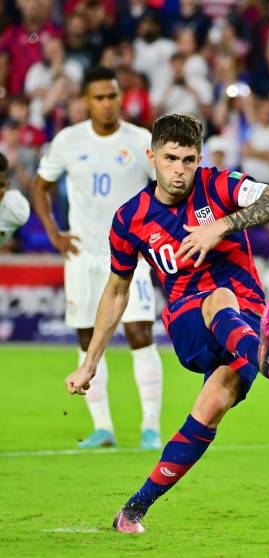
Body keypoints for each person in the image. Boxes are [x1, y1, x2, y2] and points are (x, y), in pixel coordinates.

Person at [64, 113, 269, 533]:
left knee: (212, 406)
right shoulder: (130, 218)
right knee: (218, 298)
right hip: (190, 318)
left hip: (246, 318)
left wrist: (223, 225)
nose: (180, 170)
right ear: (151, 156)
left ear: (199, 158)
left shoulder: (218, 185)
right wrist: (90, 361)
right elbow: (117, 290)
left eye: (189, 160)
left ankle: (132, 510)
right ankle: (264, 355)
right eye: (171, 159)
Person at [30, 67, 164, 450]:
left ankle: (150, 428)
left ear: (121, 98)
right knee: (88, 338)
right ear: (86, 101)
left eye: (112, 96)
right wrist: (53, 232)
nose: (107, 103)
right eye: (99, 97)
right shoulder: (68, 141)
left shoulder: (141, 141)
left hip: (130, 256)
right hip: (83, 256)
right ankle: (103, 427)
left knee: (140, 333)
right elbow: (41, 186)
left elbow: (167, 191)